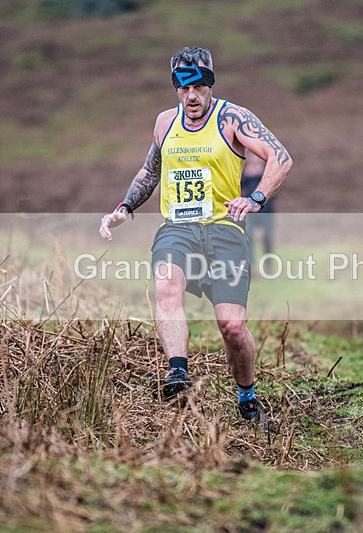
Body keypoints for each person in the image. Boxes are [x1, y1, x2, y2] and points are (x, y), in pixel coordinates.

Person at [100, 46, 292, 422]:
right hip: (178, 229)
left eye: (200, 86)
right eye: (183, 88)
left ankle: (247, 396)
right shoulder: (163, 123)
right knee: (166, 285)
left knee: (232, 328)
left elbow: (281, 157)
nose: (192, 96)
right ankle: (177, 371)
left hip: (224, 233)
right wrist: (124, 207)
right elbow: (150, 171)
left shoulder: (232, 118)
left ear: (210, 84)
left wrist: (255, 197)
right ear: (175, 87)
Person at [241, 150, 277, 265]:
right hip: (250, 212)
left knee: (267, 238)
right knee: (249, 238)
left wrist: (259, 175)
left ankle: (268, 263)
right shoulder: (244, 174)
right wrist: (248, 176)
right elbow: (240, 189)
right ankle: (251, 264)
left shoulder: (268, 173)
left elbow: (275, 189)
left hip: (267, 211)